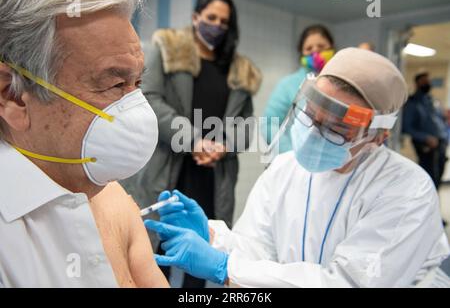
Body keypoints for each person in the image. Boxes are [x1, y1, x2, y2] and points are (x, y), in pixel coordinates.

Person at [146, 48, 450, 288]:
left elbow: (349, 283)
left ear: (379, 134)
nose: (315, 132)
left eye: (336, 128)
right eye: (311, 115)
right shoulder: (285, 167)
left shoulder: (407, 191)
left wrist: (225, 268)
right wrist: (215, 238)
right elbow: (261, 251)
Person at [0, 0, 168, 287]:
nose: (137, 110)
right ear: (13, 96)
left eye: (137, 82)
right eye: (115, 84)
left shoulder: (112, 198)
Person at [120, 0, 261, 288]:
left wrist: (221, 147)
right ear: (196, 17)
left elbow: (246, 126)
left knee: (201, 251)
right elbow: (149, 98)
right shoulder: (167, 48)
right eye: (211, 18)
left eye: (224, 21)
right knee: (152, 251)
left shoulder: (240, 70)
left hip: (213, 176)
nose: (217, 26)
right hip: (168, 169)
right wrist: (194, 140)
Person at [263, 24, 335, 154]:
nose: (315, 52)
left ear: (332, 48)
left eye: (321, 46)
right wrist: (292, 154)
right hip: (292, 162)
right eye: (309, 48)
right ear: (301, 53)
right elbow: (268, 124)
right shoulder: (288, 85)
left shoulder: (341, 85)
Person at [403, 72, 449, 189]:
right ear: (417, 83)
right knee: (429, 176)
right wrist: (425, 138)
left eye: (429, 81)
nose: (428, 83)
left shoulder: (432, 101)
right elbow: (406, 127)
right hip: (426, 146)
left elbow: (440, 120)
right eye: (425, 81)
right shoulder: (412, 103)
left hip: (441, 143)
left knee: (439, 175)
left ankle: (435, 201)